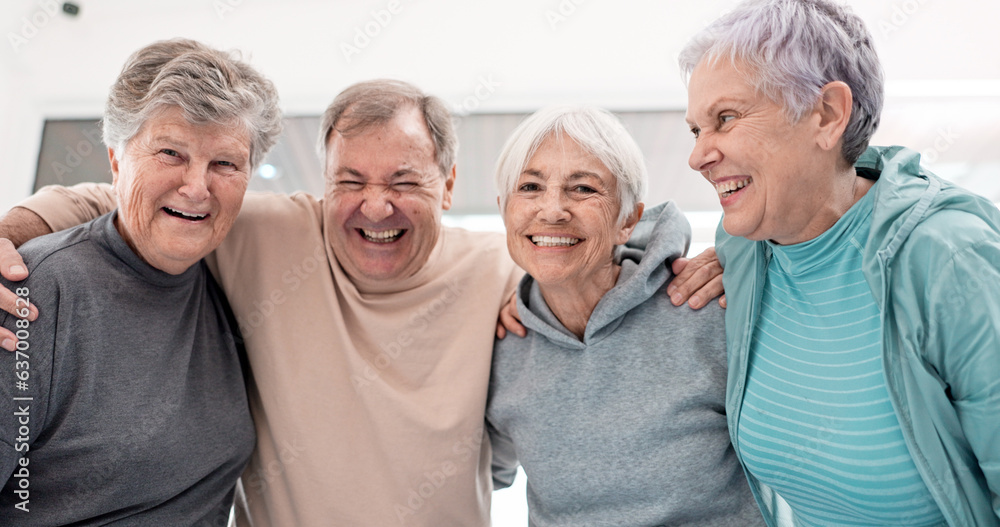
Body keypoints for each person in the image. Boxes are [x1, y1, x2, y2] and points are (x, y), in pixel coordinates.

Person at [0, 80, 722, 525]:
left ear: (447, 184)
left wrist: (718, 259)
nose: (376, 204)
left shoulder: (506, 267)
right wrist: (14, 229)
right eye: (351, 179)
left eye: (404, 178)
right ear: (325, 182)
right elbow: (131, 202)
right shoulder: (266, 233)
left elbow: (598, 249)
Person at [680, 1, 1000, 525]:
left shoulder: (950, 262)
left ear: (827, 114)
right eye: (697, 130)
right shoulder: (744, 247)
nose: (697, 156)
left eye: (726, 118)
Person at [0, 38, 282, 525]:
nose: (197, 187)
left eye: (225, 164)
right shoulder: (38, 291)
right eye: (171, 153)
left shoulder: (227, 287)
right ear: (116, 160)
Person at [486, 106, 762, 526]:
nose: (553, 209)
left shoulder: (706, 307)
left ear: (627, 220)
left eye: (582, 189)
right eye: (530, 187)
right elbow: (482, 472)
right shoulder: (499, 344)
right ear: (505, 209)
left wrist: (751, 262)